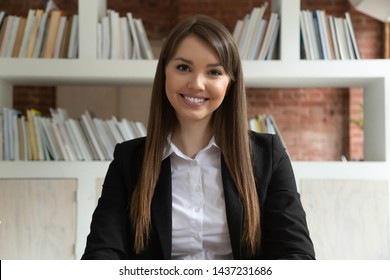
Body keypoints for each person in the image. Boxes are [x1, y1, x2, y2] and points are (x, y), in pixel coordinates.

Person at [81, 14, 315, 260]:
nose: (197, 84)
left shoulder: (269, 155)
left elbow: (296, 254)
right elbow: (102, 253)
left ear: (230, 83)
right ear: (164, 74)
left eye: (214, 72)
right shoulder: (128, 160)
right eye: (183, 67)